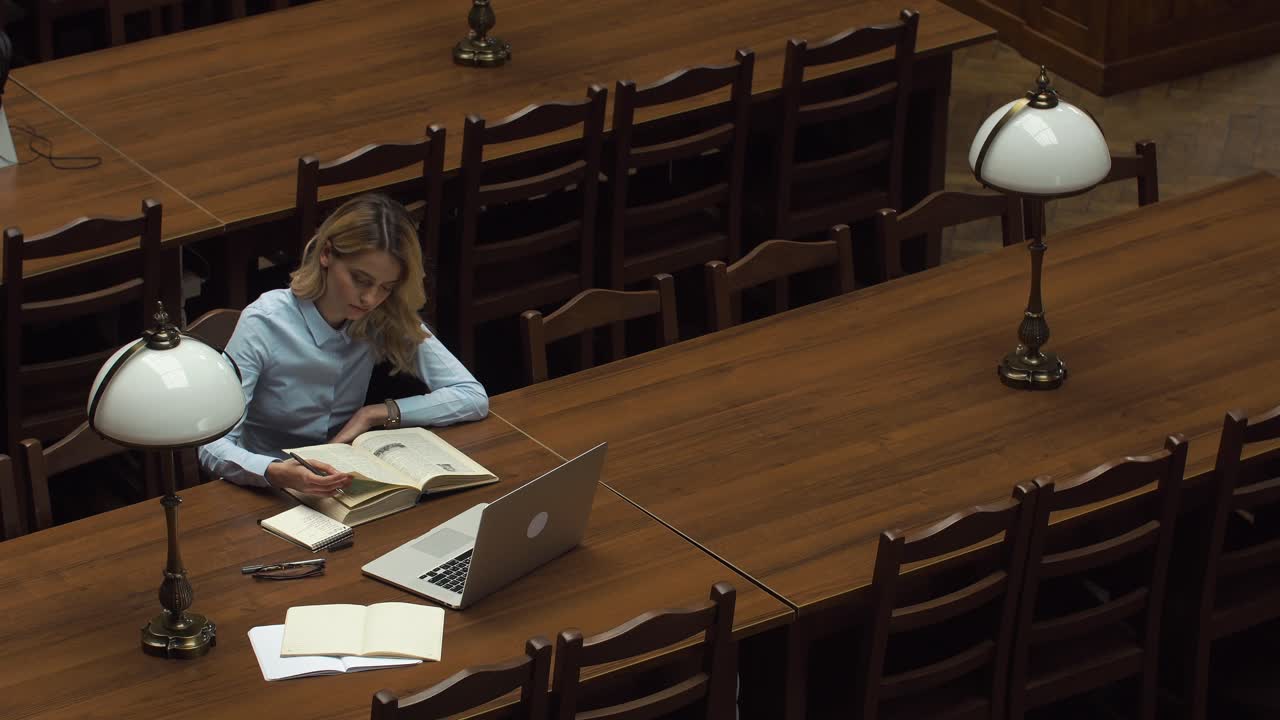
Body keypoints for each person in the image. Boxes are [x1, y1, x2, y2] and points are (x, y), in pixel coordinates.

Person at [199, 194, 488, 495]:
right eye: (361, 279)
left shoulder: (380, 315)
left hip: (342, 479)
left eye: (386, 288)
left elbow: (471, 396)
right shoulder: (265, 322)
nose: (370, 299)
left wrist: (375, 413)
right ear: (326, 254)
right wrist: (274, 472)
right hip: (265, 485)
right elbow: (211, 445)